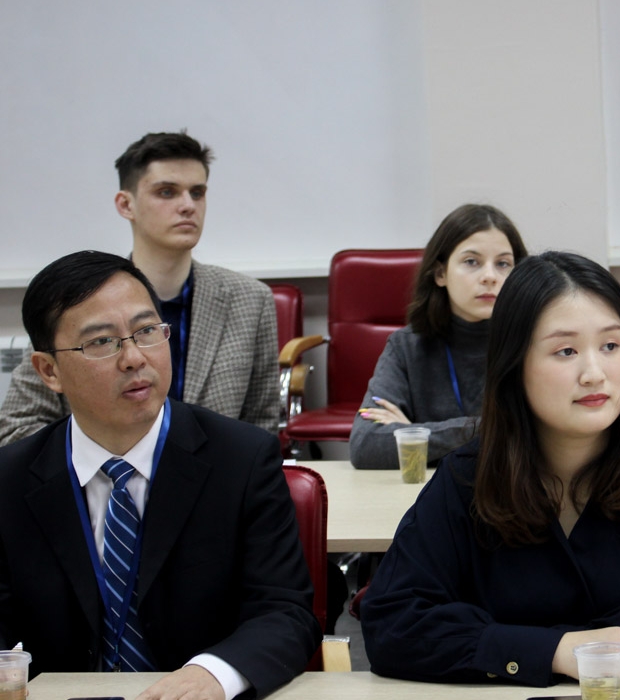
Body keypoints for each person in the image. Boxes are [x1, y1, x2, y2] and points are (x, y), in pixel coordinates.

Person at [360, 251, 620, 687]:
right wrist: (555, 652)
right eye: (566, 351)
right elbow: (392, 624)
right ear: (513, 366)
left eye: (611, 346)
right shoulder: (470, 474)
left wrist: (537, 645)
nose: (595, 373)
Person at [0, 251, 320, 699]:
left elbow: (285, 611)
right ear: (49, 371)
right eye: (101, 342)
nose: (134, 358)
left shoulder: (241, 459)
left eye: (147, 331)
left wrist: (214, 674)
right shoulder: (11, 480)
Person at [0, 131, 279, 446]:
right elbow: (15, 429)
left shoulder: (249, 300)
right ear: (126, 204)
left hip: (217, 486)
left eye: (197, 192)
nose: (188, 205)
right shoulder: (74, 299)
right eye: (167, 192)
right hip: (101, 485)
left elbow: (262, 428)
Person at [349, 204, 528, 469]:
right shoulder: (406, 347)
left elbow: (539, 436)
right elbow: (366, 445)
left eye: (503, 264)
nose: (490, 276)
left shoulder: (531, 343)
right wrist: (492, 429)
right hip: (429, 495)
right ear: (440, 273)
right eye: (472, 262)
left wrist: (414, 434)